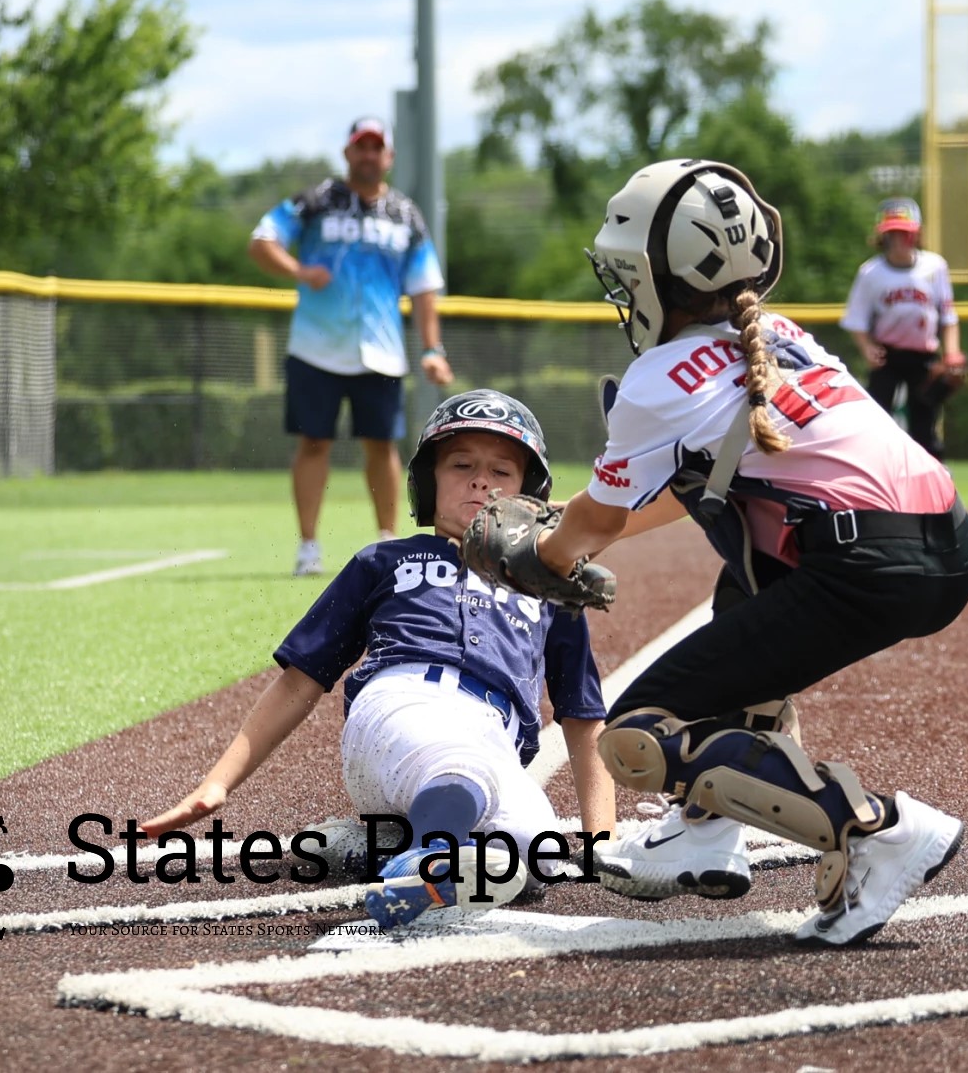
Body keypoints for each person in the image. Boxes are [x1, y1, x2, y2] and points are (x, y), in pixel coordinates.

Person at [530, 159, 968, 947]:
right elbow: (688, 495)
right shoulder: (779, 333)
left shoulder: (656, 377)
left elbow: (590, 528)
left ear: (656, 275)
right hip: (944, 540)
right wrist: (562, 536)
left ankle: (879, 828)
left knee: (637, 734)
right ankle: (702, 829)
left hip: (862, 563)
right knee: (744, 570)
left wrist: (533, 549)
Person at [141, 389, 615, 930]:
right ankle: (427, 858)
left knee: (536, 850)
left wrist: (601, 841)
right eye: (461, 465)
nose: (481, 481)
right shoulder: (386, 560)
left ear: (529, 495)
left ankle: (381, 845)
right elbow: (301, 681)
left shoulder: (551, 588)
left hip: (492, 738)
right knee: (461, 768)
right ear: (426, 482)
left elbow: (582, 715)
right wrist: (218, 782)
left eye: (501, 471)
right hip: (400, 708)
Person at [249, 117, 455, 577]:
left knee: (381, 446)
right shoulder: (316, 202)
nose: (368, 154)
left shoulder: (405, 215)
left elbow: (424, 288)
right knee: (314, 442)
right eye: (360, 146)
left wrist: (433, 348)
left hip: (379, 351)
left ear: (389, 157)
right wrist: (299, 272)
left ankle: (386, 542)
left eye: (376, 147)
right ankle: (308, 546)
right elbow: (262, 240)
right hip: (315, 349)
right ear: (347, 153)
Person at [839, 197, 965, 460]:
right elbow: (856, 319)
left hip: (924, 356)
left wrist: (952, 353)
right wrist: (867, 348)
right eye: (892, 234)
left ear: (917, 235)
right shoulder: (871, 272)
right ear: (882, 237)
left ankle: (934, 482)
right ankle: (876, 478)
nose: (898, 240)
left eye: (904, 233)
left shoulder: (934, 266)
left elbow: (948, 316)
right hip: (888, 356)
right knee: (876, 420)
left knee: (924, 425)